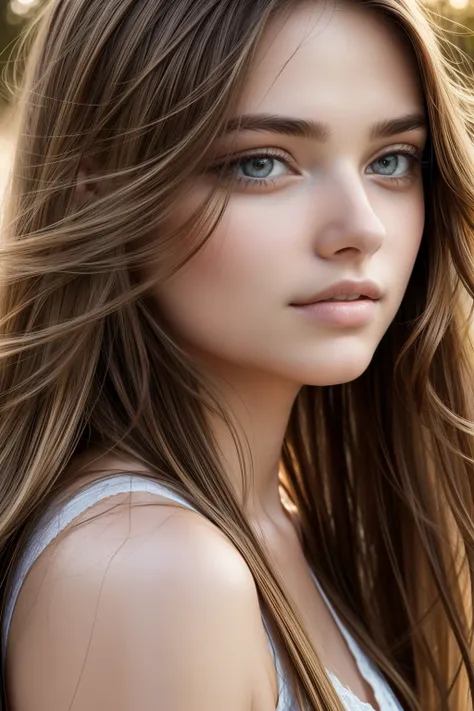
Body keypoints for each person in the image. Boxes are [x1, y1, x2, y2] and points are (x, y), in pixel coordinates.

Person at [0, 0, 473, 708]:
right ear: (95, 180)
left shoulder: (288, 528)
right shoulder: (148, 572)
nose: (361, 228)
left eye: (391, 159)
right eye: (260, 163)